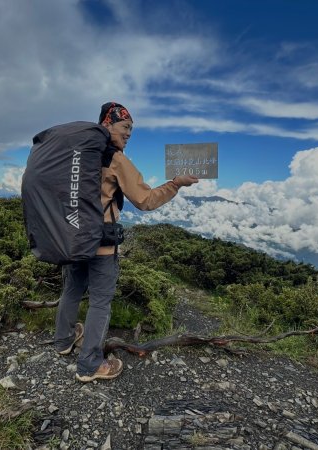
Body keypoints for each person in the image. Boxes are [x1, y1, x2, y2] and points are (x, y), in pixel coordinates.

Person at [54, 102, 199, 382]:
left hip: (72, 237)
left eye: (131, 129)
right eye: (125, 127)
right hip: (101, 243)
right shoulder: (115, 159)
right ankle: (90, 365)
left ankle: (63, 341)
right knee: (100, 302)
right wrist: (176, 183)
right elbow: (145, 200)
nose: (129, 133)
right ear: (107, 125)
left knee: (71, 290)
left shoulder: (75, 155)